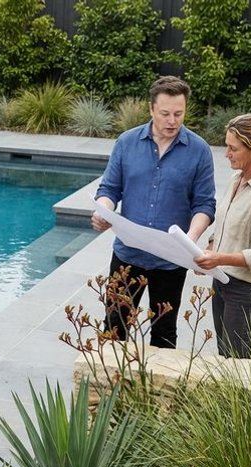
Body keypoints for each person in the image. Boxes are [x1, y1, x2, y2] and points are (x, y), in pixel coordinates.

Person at [92, 76, 216, 348]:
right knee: (114, 328)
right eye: (165, 114)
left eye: (178, 114)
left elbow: (205, 204)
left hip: (171, 261)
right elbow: (109, 189)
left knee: (164, 334)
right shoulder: (126, 142)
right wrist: (104, 211)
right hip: (127, 256)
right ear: (151, 109)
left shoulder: (200, 151)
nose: (172, 121)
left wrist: (189, 240)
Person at [193, 114, 251, 358]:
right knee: (224, 355)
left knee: (236, 363)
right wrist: (208, 251)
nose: (226, 153)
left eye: (233, 148)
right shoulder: (237, 180)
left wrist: (218, 258)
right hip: (222, 281)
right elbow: (225, 222)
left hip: (246, 291)